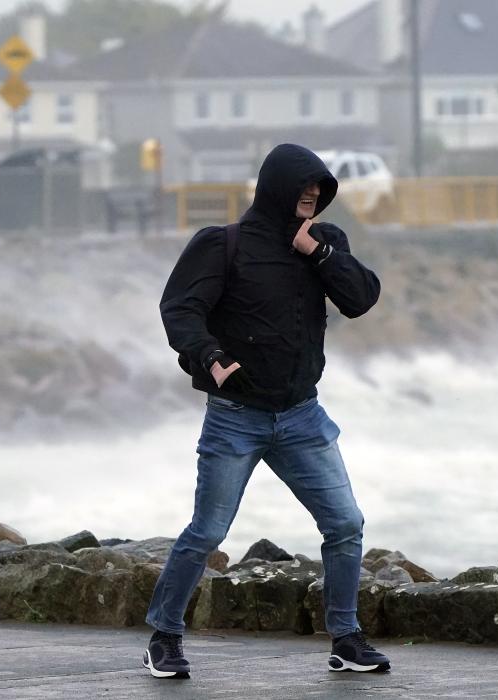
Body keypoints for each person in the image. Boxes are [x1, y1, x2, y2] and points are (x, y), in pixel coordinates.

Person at [142, 144, 387, 679]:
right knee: (207, 532)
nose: (313, 194)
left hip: (302, 416)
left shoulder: (323, 242)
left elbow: (361, 298)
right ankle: (164, 636)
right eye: (304, 186)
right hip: (236, 416)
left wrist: (317, 252)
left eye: (320, 187)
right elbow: (180, 308)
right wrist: (211, 356)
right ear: (277, 187)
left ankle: (346, 639)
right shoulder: (221, 244)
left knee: (345, 524)